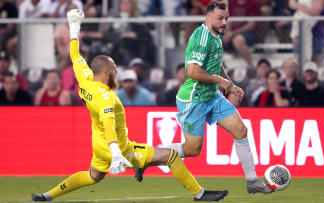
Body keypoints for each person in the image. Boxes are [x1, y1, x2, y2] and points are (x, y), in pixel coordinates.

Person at [31, 9, 228, 202]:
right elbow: (109, 124)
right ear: (107, 73)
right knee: (172, 156)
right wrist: (116, 153)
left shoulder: (86, 79)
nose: (117, 73)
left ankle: (47, 196)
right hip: (118, 148)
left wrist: (74, 28)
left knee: (93, 176)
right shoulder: (106, 97)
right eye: (115, 70)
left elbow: (75, 56)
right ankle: (200, 195)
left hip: (98, 145)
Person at [136, 1, 272, 194]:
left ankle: (252, 181)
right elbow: (192, 71)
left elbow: (216, 62)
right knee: (192, 149)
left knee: (240, 130)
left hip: (212, 96)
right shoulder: (201, 37)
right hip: (194, 99)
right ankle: (147, 158)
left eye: (226, 18)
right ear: (208, 18)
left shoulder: (216, 35)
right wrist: (220, 82)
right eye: (220, 18)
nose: (224, 22)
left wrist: (230, 84)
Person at [223, 0, 262, 68]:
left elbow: (251, 25)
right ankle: (222, 66)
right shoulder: (232, 2)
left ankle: (250, 66)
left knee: (238, 40)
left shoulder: (254, 3)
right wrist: (227, 33)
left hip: (250, 33)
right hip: (233, 32)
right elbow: (228, 20)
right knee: (215, 38)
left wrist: (232, 33)